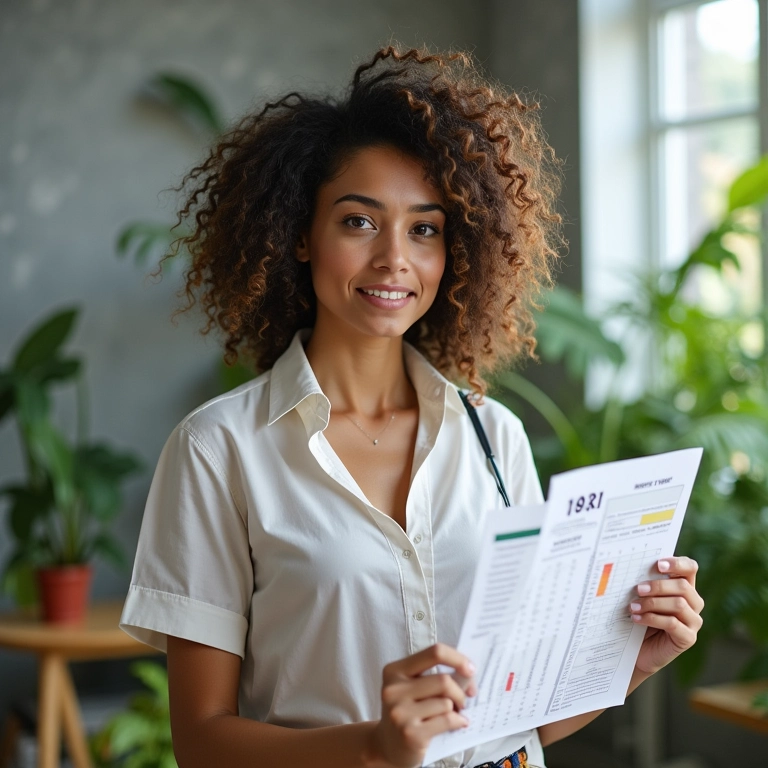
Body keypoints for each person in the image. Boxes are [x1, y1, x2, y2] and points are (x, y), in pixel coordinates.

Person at [119, 46, 704, 768]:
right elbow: (202, 742)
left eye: (424, 228)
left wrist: (632, 663)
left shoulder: (494, 436)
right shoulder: (218, 449)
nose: (394, 257)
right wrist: (375, 746)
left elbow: (517, 719)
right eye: (359, 222)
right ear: (299, 235)